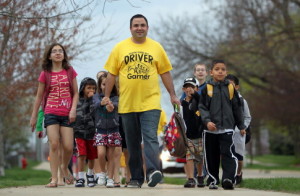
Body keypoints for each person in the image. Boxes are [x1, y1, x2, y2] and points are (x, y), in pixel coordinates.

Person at [103, 14, 180, 188]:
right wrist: (107, 96)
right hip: (127, 104)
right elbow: (111, 74)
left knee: (151, 138)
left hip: (150, 103)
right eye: (136, 25)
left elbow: (165, 73)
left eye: (142, 25)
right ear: (131, 28)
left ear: (147, 28)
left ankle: (153, 171)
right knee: (132, 143)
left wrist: (172, 95)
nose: (139, 28)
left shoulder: (156, 47)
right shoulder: (120, 48)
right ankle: (136, 178)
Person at [30, 43, 78, 188]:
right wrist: (33, 116)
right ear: (49, 56)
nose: (58, 53)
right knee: (54, 144)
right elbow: (39, 97)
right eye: (54, 51)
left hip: (67, 114)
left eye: (60, 51)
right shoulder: (45, 73)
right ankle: (54, 179)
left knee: (69, 147)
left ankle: (64, 167)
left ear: (64, 55)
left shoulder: (70, 71)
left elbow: (75, 93)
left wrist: (73, 109)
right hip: (51, 112)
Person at [198, 59, 246, 190]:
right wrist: (207, 122)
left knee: (228, 153)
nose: (220, 71)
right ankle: (213, 180)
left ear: (226, 72)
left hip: (227, 128)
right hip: (210, 130)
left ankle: (227, 179)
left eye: (223, 69)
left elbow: (237, 108)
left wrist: (241, 125)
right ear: (211, 72)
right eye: (217, 69)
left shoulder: (230, 88)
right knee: (211, 156)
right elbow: (202, 107)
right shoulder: (207, 88)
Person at [94, 74, 122, 188]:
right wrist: (101, 103)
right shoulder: (96, 97)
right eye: (104, 84)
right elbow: (94, 105)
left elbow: (116, 105)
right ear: (100, 85)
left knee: (111, 156)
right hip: (100, 130)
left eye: (109, 84)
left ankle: (110, 179)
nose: (106, 86)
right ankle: (102, 173)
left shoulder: (115, 97)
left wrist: (111, 106)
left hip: (113, 130)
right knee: (101, 154)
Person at [225, 74, 251, 185]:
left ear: (236, 87)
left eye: (231, 85)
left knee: (238, 155)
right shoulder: (221, 100)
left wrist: (243, 127)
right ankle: (229, 177)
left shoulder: (242, 101)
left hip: (238, 131)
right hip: (225, 130)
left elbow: (247, 116)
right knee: (227, 155)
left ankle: (239, 173)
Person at [73, 77, 98, 187]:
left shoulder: (95, 100)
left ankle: (90, 175)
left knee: (92, 156)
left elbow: (94, 112)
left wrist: (92, 99)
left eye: (93, 88)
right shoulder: (77, 99)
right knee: (81, 154)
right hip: (79, 131)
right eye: (88, 88)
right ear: (83, 88)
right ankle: (81, 177)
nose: (91, 90)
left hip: (92, 131)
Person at [181, 77, 205, 188]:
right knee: (189, 157)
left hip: (199, 133)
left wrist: (195, 94)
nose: (189, 89)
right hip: (188, 135)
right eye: (187, 87)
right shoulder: (182, 104)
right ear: (183, 89)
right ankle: (190, 178)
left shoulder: (199, 100)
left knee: (199, 157)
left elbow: (202, 101)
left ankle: (200, 176)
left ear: (196, 88)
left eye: (191, 87)